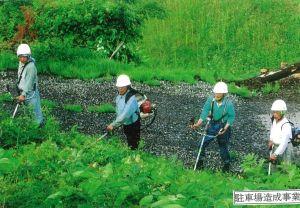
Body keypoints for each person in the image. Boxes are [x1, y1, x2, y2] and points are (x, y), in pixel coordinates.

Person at [191, 81, 235, 172]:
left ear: (224, 94)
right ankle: (200, 162)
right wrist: (198, 124)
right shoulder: (210, 100)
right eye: (216, 93)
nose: (217, 95)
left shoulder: (229, 104)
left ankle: (227, 163)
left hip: (223, 126)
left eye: (220, 93)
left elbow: (231, 117)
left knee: (223, 146)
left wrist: (225, 128)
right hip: (212, 124)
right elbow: (205, 111)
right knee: (202, 144)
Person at [106, 74, 141, 150]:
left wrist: (113, 125)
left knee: (133, 142)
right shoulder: (119, 96)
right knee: (128, 136)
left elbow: (125, 115)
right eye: (119, 87)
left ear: (127, 86)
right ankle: (130, 151)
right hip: (125, 123)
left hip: (133, 124)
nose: (120, 89)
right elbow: (119, 110)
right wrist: (117, 122)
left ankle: (133, 155)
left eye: (122, 87)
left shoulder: (131, 99)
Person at [16, 43, 44, 126]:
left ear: (28, 56)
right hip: (23, 91)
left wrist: (23, 95)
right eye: (20, 57)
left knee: (35, 114)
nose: (22, 59)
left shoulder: (31, 67)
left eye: (24, 57)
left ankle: (39, 131)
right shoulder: (21, 63)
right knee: (28, 113)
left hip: (30, 93)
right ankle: (31, 128)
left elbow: (29, 83)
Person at [268, 99, 293, 165]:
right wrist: (271, 140)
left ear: (282, 112)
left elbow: (284, 143)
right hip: (275, 146)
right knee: (275, 167)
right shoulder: (274, 120)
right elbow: (273, 130)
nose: (274, 114)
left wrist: (275, 154)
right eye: (274, 112)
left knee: (285, 168)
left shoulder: (286, 125)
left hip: (285, 149)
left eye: (277, 112)